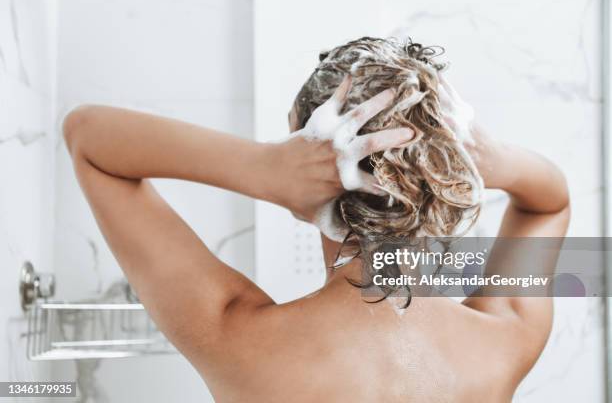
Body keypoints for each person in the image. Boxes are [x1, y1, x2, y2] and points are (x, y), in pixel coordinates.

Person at [63, 37, 569, 402]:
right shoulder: (504, 339)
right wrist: (490, 157)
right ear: (442, 173)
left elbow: (88, 138)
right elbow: (549, 203)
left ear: (303, 166)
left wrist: (260, 168)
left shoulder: (237, 339)